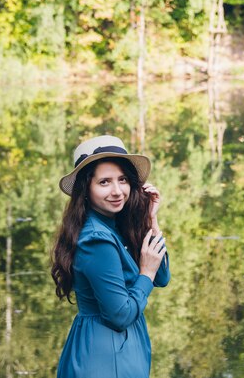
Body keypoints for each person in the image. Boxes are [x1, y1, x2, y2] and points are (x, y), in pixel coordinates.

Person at [52, 135, 170, 378]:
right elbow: (120, 315)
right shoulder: (97, 239)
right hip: (104, 358)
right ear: (86, 188)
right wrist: (145, 272)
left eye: (122, 180)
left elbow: (162, 277)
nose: (117, 191)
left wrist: (151, 220)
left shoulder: (116, 226)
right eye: (104, 182)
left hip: (120, 351)